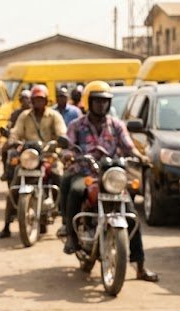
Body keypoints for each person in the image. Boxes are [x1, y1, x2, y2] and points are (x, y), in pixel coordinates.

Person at [60, 82, 158, 281]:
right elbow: (67, 145)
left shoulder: (117, 125)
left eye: (105, 101)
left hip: (112, 176)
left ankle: (140, 266)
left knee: (131, 214)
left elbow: (129, 146)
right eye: (97, 101)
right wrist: (69, 154)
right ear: (89, 102)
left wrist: (141, 157)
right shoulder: (77, 125)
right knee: (75, 190)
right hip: (86, 172)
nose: (101, 105)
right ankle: (71, 237)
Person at [0, 84, 67, 239]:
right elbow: (16, 132)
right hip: (30, 156)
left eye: (41, 99)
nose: (38, 102)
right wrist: (13, 139)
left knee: (59, 177)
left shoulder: (54, 116)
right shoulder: (24, 116)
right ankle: (7, 225)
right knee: (13, 186)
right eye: (36, 99)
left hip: (48, 155)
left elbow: (62, 133)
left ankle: (65, 220)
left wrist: (58, 142)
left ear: (46, 100)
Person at [0, 88, 32, 178]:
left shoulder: (35, 113)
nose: (26, 101)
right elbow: (11, 127)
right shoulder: (15, 114)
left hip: (33, 141)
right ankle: (6, 171)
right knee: (5, 149)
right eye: (23, 99)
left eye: (27, 99)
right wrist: (10, 134)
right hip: (18, 140)